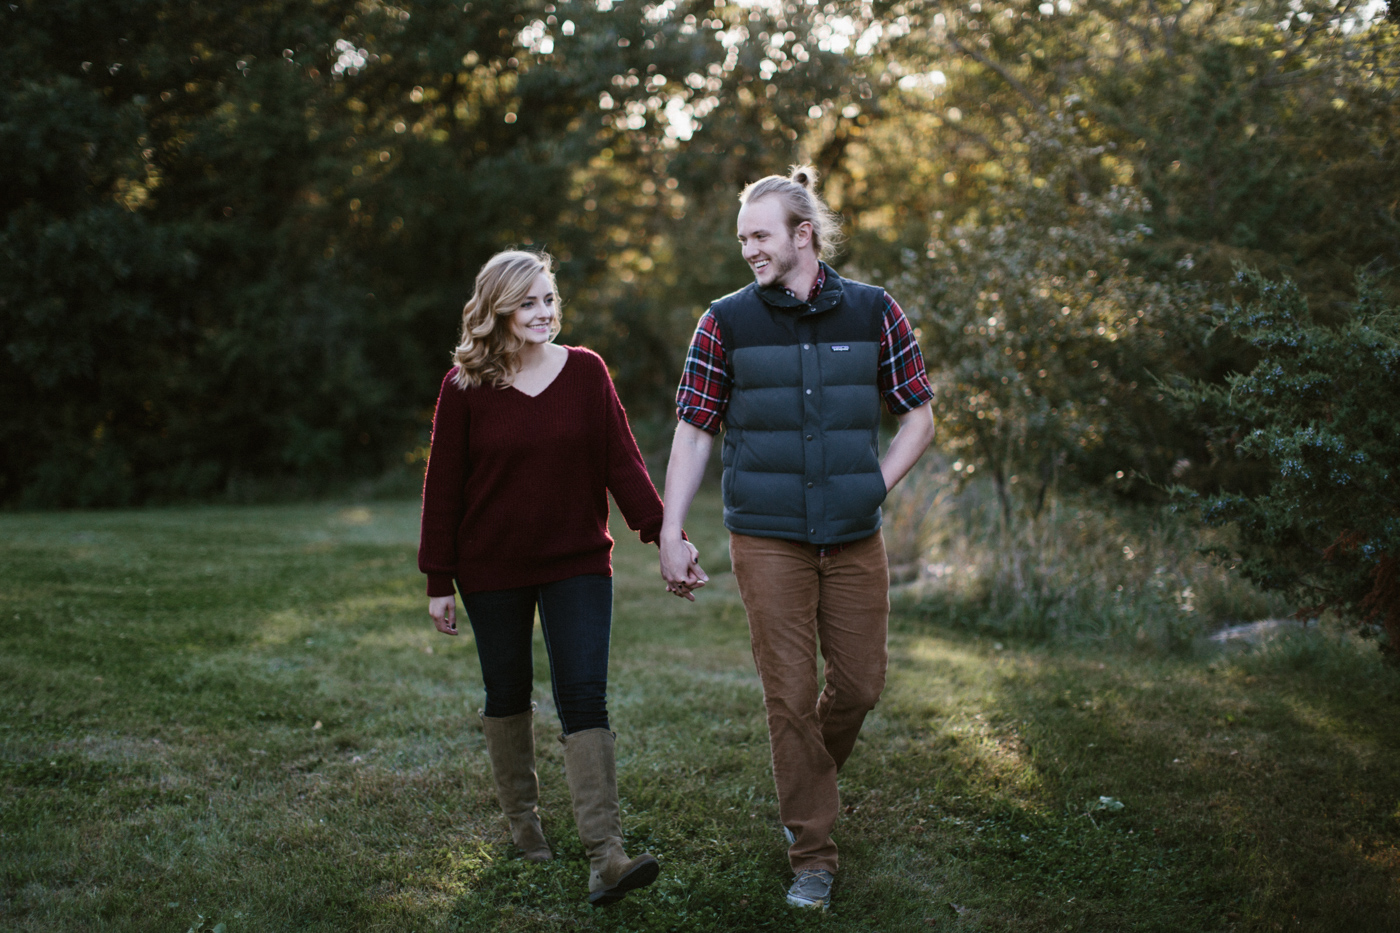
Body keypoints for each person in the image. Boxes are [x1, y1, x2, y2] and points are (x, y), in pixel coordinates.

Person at [657, 167, 936, 910]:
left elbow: (918, 415)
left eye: (760, 235)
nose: (748, 249)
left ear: (802, 234)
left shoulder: (876, 312)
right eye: (742, 237)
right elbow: (693, 430)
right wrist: (670, 526)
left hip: (852, 533)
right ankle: (812, 853)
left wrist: (877, 483)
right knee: (787, 696)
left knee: (861, 683)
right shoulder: (725, 321)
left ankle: (808, 781)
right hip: (767, 535)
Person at [418, 249, 702, 906]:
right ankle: (524, 825)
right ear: (498, 311)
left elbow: (623, 465)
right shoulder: (463, 388)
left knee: (584, 694)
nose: (543, 312)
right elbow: (443, 491)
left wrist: (665, 535)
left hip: (577, 560)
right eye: (529, 302)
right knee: (509, 688)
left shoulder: (585, 372)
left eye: (549, 299)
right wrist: (439, 578)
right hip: (492, 567)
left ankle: (606, 853)